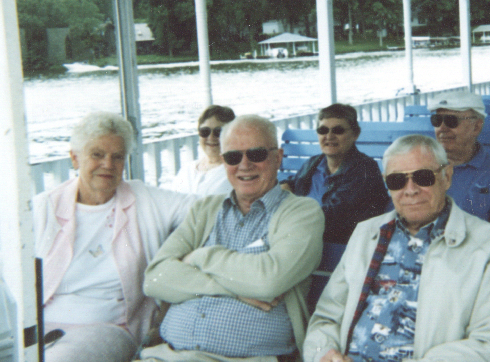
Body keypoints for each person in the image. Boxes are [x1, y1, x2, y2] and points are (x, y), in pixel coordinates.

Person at [303, 134, 490, 362]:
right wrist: (323, 353)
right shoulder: (366, 233)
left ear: (447, 176)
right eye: (397, 181)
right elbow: (326, 317)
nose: (410, 190)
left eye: (423, 177)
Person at [140, 114, 324, 362]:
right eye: (233, 157)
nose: (244, 165)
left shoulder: (302, 212)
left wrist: (200, 256)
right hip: (167, 355)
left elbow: (268, 282)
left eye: (256, 154)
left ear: (278, 158)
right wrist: (235, 291)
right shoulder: (205, 209)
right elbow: (155, 278)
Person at [33, 112, 194, 362]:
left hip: (109, 328)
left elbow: (205, 208)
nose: (108, 164)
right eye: (97, 154)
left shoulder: (145, 200)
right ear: (75, 158)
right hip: (43, 330)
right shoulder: (45, 207)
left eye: (117, 156)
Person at [426, 90, 490, 252]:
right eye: (437, 120)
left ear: (476, 127)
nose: (442, 128)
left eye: (452, 121)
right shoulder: (420, 169)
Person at [281, 104, 389, 244]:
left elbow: (334, 216)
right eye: (323, 130)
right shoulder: (314, 164)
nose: (329, 136)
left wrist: (287, 214)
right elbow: (292, 183)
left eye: (338, 130)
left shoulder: (365, 169)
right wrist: (284, 185)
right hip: (301, 235)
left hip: (340, 245)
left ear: (355, 134)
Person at [170, 105, 236, 197]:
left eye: (218, 132)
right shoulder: (187, 170)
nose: (211, 137)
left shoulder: (236, 172)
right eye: (205, 131)